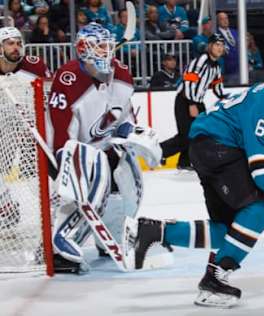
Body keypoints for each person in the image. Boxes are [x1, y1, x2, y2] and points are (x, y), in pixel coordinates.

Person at [133, 52, 264, 308]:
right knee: (259, 207)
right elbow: (263, 170)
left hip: (210, 147)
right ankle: (215, 278)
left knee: (229, 230)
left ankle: (155, 231)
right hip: (217, 148)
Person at [46, 22, 163, 273]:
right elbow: (59, 136)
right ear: (83, 49)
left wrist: (132, 132)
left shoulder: (120, 74)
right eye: (100, 47)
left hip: (103, 147)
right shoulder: (68, 79)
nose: (107, 52)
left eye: (109, 46)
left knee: (130, 178)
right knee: (95, 172)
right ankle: (62, 243)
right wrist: (68, 163)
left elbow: (127, 117)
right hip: (68, 152)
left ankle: (109, 237)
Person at [0, 26, 51, 230]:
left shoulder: (35, 66)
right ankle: (6, 207)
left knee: (37, 176)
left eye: (19, 43)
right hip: (4, 127)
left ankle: (52, 215)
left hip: (33, 129)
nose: (16, 48)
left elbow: (49, 98)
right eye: (10, 43)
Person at [159, 33, 226, 170]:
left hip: (198, 101)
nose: (220, 48)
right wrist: (191, 103)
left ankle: (184, 162)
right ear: (210, 46)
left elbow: (217, 85)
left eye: (222, 45)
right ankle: (159, 151)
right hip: (185, 100)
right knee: (185, 135)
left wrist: (225, 98)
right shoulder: (201, 60)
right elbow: (189, 81)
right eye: (217, 45)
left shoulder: (217, 66)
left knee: (197, 134)